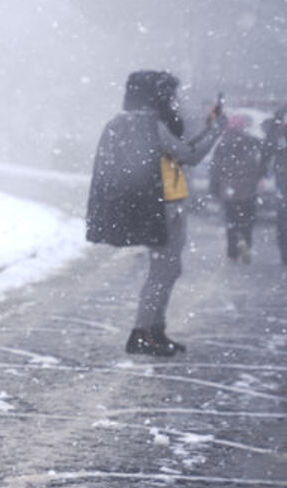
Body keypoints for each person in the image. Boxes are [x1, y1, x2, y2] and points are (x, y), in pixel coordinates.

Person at [86, 70, 224, 357]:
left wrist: (207, 128)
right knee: (163, 271)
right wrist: (215, 130)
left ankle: (154, 331)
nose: (174, 100)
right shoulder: (149, 124)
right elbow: (189, 155)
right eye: (170, 94)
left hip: (158, 207)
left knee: (166, 270)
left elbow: (177, 152)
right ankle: (143, 333)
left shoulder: (126, 122)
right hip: (165, 209)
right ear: (157, 95)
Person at [209, 115, 266, 263]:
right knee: (247, 222)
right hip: (248, 190)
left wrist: (214, 189)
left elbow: (215, 169)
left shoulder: (222, 145)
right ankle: (245, 243)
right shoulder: (251, 142)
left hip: (228, 191)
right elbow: (261, 162)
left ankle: (232, 253)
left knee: (231, 223)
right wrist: (259, 179)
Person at [261, 106, 287, 265]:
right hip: (283, 174)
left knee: (283, 214)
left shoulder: (276, 125)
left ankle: (284, 251)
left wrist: (264, 167)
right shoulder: (277, 126)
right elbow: (268, 148)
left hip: (282, 174)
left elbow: (267, 148)